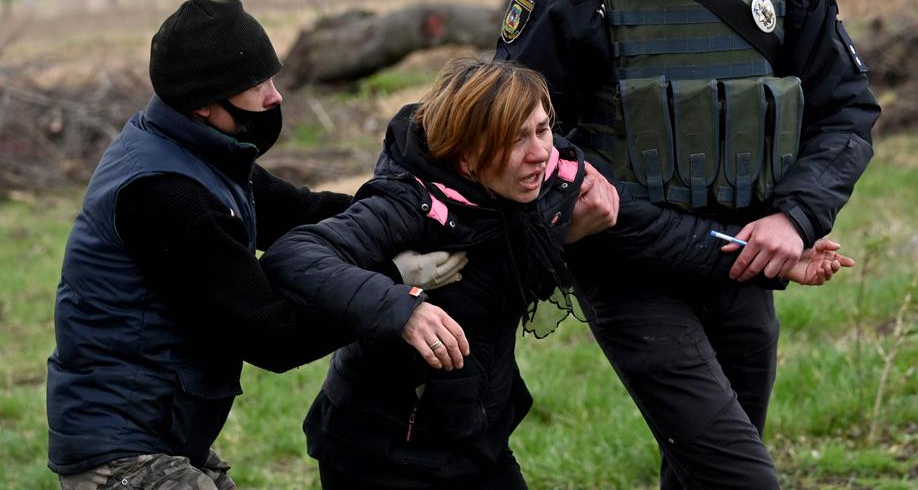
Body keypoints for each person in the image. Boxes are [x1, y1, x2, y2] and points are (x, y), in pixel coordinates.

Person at [496, 0, 880, 488]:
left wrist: (795, 217)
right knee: (739, 476)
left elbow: (847, 109)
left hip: (746, 261)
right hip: (632, 267)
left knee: (705, 471)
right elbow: (515, 143)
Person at [261, 57, 855, 489]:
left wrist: (771, 257)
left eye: (544, 129)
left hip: (478, 444)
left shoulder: (553, 183)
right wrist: (404, 307)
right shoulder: (409, 204)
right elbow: (298, 255)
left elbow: (653, 231)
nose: (542, 152)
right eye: (517, 139)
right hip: (380, 455)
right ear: (468, 155)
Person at [46, 0, 466, 490]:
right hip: (121, 453)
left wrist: (422, 212)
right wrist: (392, 285)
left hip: (166, 432)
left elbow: (300, 212)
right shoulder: (164, 195)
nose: (275, 97)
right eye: (255, 86)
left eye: (272, 77)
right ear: (204, 103)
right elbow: (273, 333)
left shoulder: (198, 152)